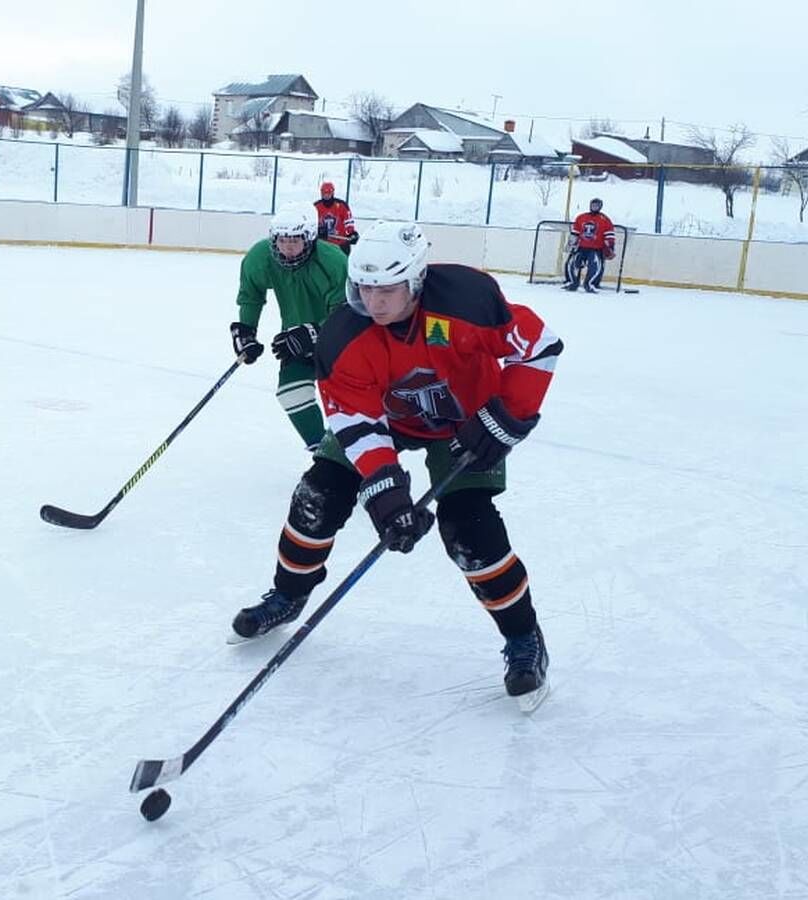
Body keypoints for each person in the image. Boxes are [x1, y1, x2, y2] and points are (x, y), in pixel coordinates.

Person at [230, 221, 561, 703]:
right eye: (364, 287)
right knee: (318, 495)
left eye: (386, 289)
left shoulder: (467, 302)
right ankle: (288, 594)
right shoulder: (345, 336)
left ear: (416, 281)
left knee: (470, 530)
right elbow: (356, 421)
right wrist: (386, 493)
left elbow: (540, 346)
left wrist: (506, 417)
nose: (374, 301)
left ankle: (523, 638)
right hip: (390, 418)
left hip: (469, 422)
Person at [231, 208, 350, 451]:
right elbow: (251, 294)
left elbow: (347, 311)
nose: (287, 247)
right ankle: (323, 453)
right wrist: (246, 330)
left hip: (342, 341)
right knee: (291, 392)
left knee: (347, 402)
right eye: (282, 240)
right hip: (295, 338)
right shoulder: (260, 257)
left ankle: (358, 454)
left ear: (309, 238)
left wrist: (315, 333)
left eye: (294, 240)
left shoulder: (333, 261)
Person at [563, 197, 615, 293]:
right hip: (581, 247)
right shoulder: (581, 217)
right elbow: (575, 233)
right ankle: (572, 283)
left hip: (596, 249)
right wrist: (571, 243)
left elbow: (609, 235)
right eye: (593, 205)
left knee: (595, 267)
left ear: (600, 207)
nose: (594, 207)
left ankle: (590, 284)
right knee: (571, 263)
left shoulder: (605, 219)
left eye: (596, 205)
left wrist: (610, 247)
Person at [313, 181, 358, 255]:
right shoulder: (316, 207)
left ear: (332, 193)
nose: (326, 195)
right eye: (324, 192)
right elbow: (311, 224)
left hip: (340, 244)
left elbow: (348, 222)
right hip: (323, 245)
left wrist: (352, 233)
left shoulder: (341, 205)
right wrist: (317, 231)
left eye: (328, 192)